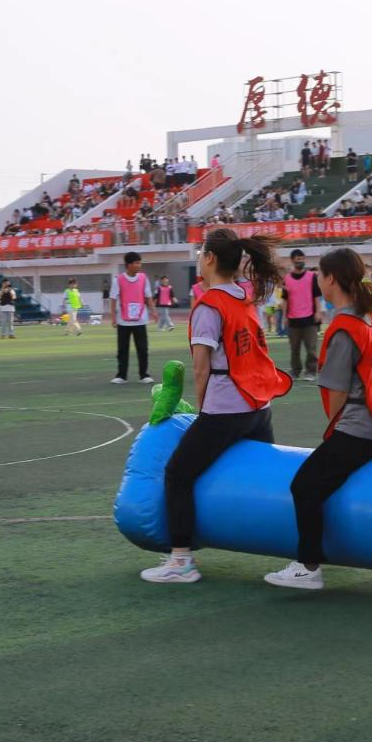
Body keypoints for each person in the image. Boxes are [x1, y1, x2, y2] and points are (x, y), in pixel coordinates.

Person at [140, 230, 291, 584]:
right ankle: (299, 554)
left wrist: (203, 410)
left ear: (209, 259)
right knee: (265, 479)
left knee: (177, 473)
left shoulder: (209, 305)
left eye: (200, 253)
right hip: (259, 407)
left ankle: (181, 560)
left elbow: (201, 367)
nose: (197, 258)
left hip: (227, 408)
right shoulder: (245, 298)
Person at [264, 249, 372, 590]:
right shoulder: (367, 319)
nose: (318, 280)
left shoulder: (345, 327)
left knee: (304, 485)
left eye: (320, 275)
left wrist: (338, 432)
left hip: (362, 428)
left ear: (330, 278)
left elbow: (336, 394)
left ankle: (308, 566)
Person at [111, 253, 155, 384]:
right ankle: (121, 376)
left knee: (143, 349)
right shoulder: (118, 280)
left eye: (140, 263)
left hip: (140, 320)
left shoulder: (143, 278)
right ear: (128, 265)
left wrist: (153, 311)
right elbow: (113, 299)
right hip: (123, 321)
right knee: (122, 350)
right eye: (137, 263)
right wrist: (113, 317)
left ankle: (144, 375)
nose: (139, 265)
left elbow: (148, 297)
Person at [281, 249, 321, 381]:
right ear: (292, 260)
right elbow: (285, 299)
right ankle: (295, 371)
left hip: (310, 318)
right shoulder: (287, 279)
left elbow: (316, 296)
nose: (301, 261)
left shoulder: (312, 276)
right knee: (294, 349)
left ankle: (311, 371)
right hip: (293, 320)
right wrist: (284, 316)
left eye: (302, 259)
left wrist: (318, 312)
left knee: (311, 348)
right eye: (298, 259)